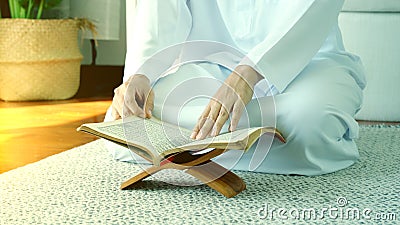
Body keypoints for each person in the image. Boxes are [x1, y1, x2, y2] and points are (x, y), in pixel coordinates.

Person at [104, 0, 366, 175]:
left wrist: (248, 74)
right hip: (210, 61)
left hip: (309, 61)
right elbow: (161, 11)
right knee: (129, 120)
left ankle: (193, 148)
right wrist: (143, 74)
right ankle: (252, 142)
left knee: (312, 124)